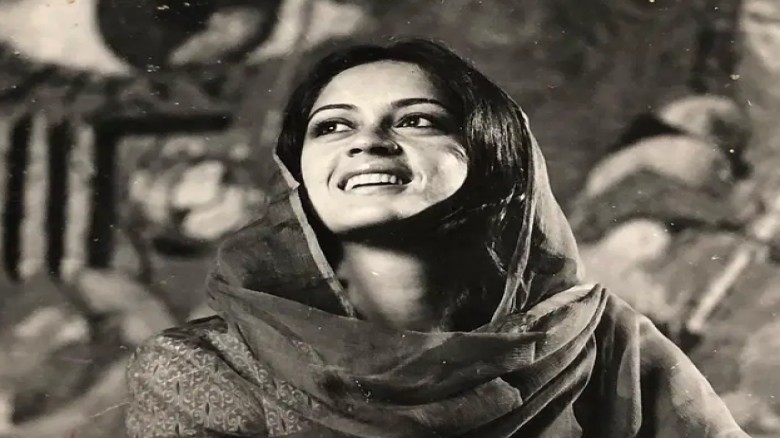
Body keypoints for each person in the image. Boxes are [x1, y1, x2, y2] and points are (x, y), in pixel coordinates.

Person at [124, 39, 749, 437]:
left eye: (417, 120)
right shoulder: (204, 368)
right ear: (299, 175)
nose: (368, 142)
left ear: (493, 157)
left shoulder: (603, 342)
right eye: (332, 127)